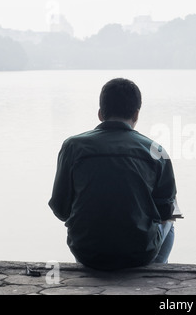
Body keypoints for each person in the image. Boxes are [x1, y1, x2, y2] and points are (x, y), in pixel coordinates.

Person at [48, 78, 178, 271]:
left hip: (87, 252)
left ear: (100, 114)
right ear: (136, 114)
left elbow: (60, 209)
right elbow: (165, 212)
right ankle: (155, 272)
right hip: (140, 254)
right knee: (172, 215)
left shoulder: (72, 147)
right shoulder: (156, 150)